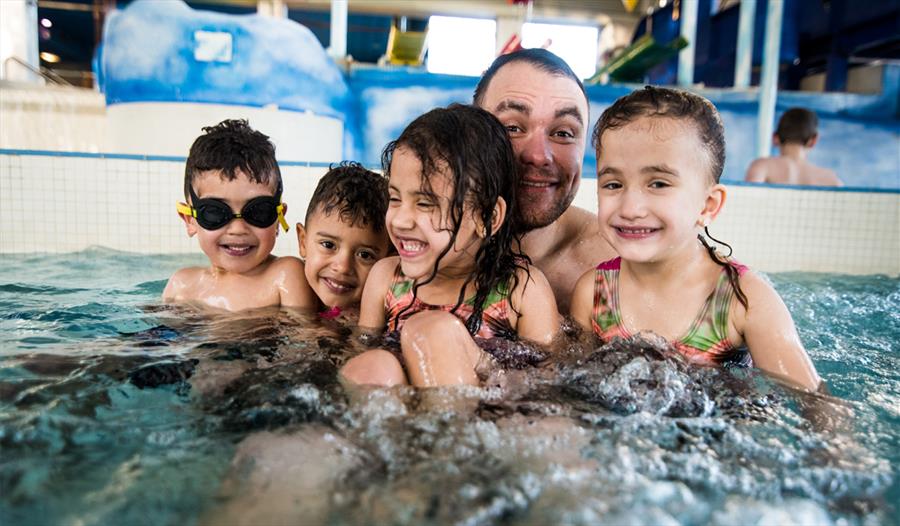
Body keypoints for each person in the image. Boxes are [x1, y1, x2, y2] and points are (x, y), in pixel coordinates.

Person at [570, 86, 822, 392]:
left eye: (659, 183)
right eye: (613, 184)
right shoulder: (594, 294)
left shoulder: (744, 300)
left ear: (708, 205)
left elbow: (816, 403)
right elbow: (577, 390)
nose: (630, 208)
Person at [341, 104, 560, 387]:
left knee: (432, 331)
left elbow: (548, 384)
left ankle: (450, 430)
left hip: (482, 411)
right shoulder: (386, 278)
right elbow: (359, 348)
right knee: (372, 365)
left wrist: (483, 365)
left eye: (425, 203)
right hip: (404, 410)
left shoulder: (520, 290)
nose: (401, 220)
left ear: (487, 217)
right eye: (395, 199)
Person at [474, 48, 616, 312]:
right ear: (470, 132)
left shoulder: (617, 262)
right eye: (512, 128)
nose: (539, 156)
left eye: (563, 133)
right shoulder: (409, 234)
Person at [163, 119, 317, 311]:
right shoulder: (182, 285)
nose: (238, 229)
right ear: (189, 220)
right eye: (215, 212)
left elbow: (306, 335)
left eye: (259, 211)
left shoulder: (285, 275)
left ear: (278, 218)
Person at [296, 161, 392, 314]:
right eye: (328, 245)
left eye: (365, 255)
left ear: (388, 260)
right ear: (303, 242)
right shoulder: (287, 287)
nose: (343, 267)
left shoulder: (379, 316)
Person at [745, 107, 842, 187]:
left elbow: (747, 201)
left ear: (775, 138)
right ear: (813, 140)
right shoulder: (831, 179)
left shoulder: (762, 166)